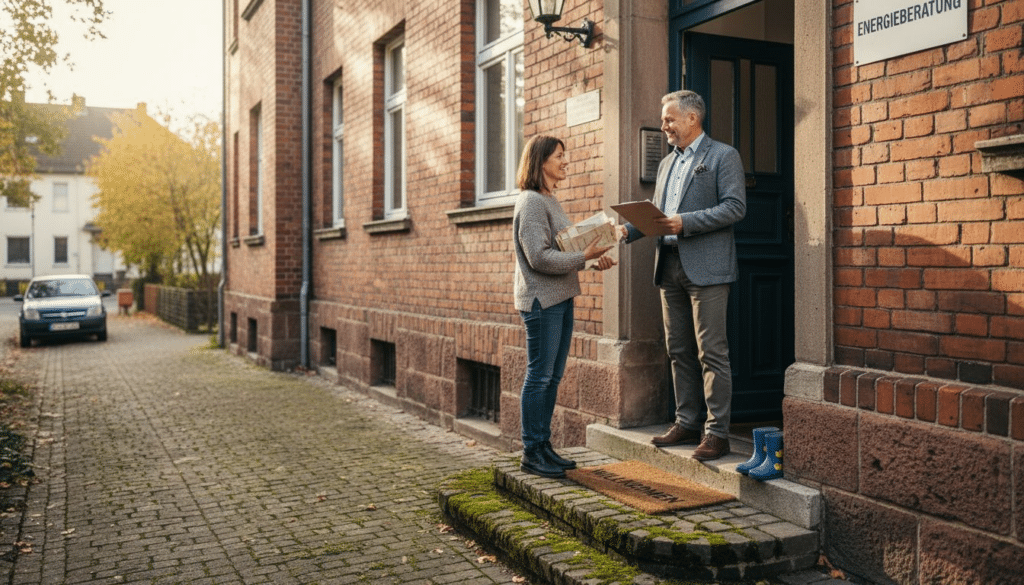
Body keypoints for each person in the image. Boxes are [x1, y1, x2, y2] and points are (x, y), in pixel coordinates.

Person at [618, 90, 746, 462]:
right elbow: (658, 214)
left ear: (693, 118)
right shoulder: (666, 164)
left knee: (712, 352)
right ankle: (686, 421)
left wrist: (685, 222)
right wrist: (627, 231)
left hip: (708, 268)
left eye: (670, 119)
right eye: (664, 119)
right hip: (668, 265)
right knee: (677, 350)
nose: (665, 126)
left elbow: (735, 207)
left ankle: (717, 432)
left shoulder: (723, 156)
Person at [513, 135, 617, 478]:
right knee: (539, 376)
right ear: (542, 161)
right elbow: (539, 257)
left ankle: (544, 447)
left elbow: (560, 250)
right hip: (542, 300)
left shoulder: (549, 200)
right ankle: (531, 450)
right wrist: (583, 255)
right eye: (560, 156)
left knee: (552, 376)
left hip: (560, 296)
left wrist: (589, 262)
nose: (565, 161)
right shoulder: (530, 202)